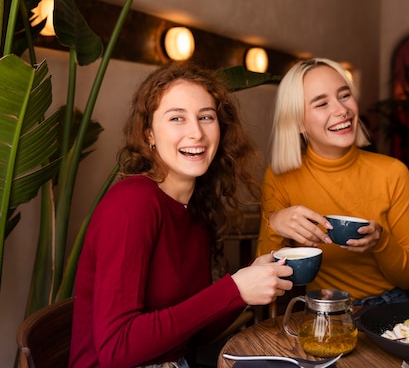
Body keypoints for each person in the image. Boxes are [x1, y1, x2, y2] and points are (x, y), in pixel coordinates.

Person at [69, 62, 293, 368]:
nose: (196, 132)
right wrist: (234, 289)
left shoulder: (195, 210)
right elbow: (116, 349)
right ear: (149, 134)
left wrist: (246, 284)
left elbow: (193, 333)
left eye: (206, 117)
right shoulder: (132, 204)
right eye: (177, 118)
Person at [256, 58, 409, 305]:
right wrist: (275, 224)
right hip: (322, 310)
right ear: (299, 123)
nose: (341, 110)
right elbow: (262, 277)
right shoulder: (280, 177)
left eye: (344, 96)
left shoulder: (393, 172)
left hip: (386, 305)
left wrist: (381, 241)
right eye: (322, 103)